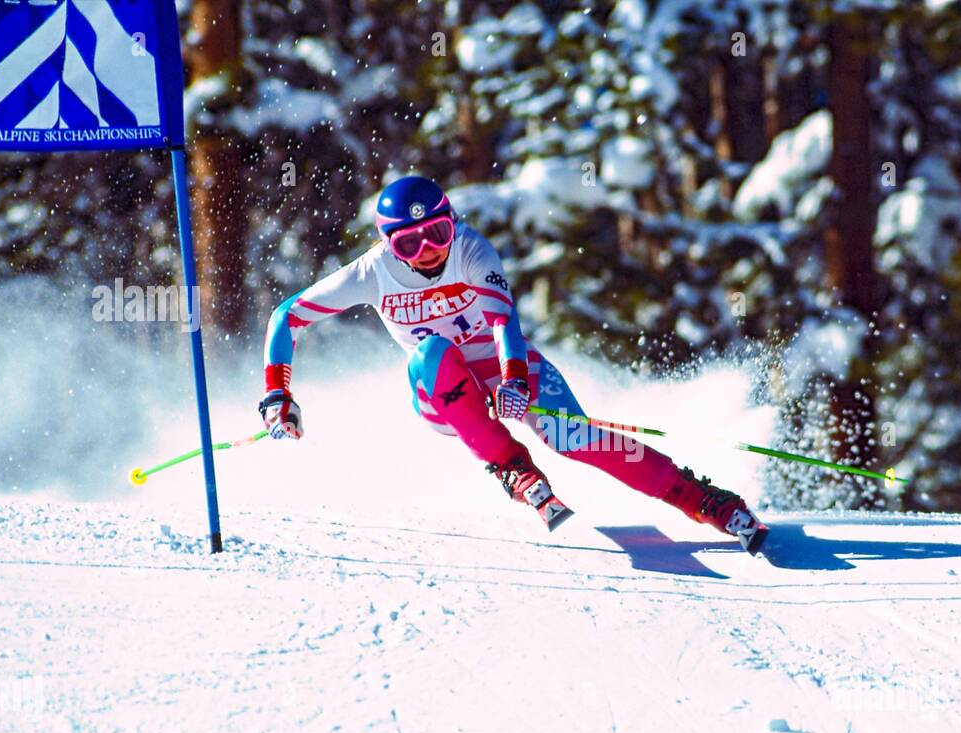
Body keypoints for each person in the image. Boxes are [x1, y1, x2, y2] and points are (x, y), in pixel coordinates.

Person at [258, 174, 767, 551]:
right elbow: (287, 316)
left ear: (452, 222)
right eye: (409, 243)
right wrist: (278, 392)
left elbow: (504, 324)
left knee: (574, 436)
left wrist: (515, 379)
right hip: (443, 393)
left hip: (506, 366)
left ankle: (701, 499)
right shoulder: (372, 272)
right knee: (431, 351)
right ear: (389, 244)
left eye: (437, 233)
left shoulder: (471, 250)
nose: (429, 250)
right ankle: (512, 469)